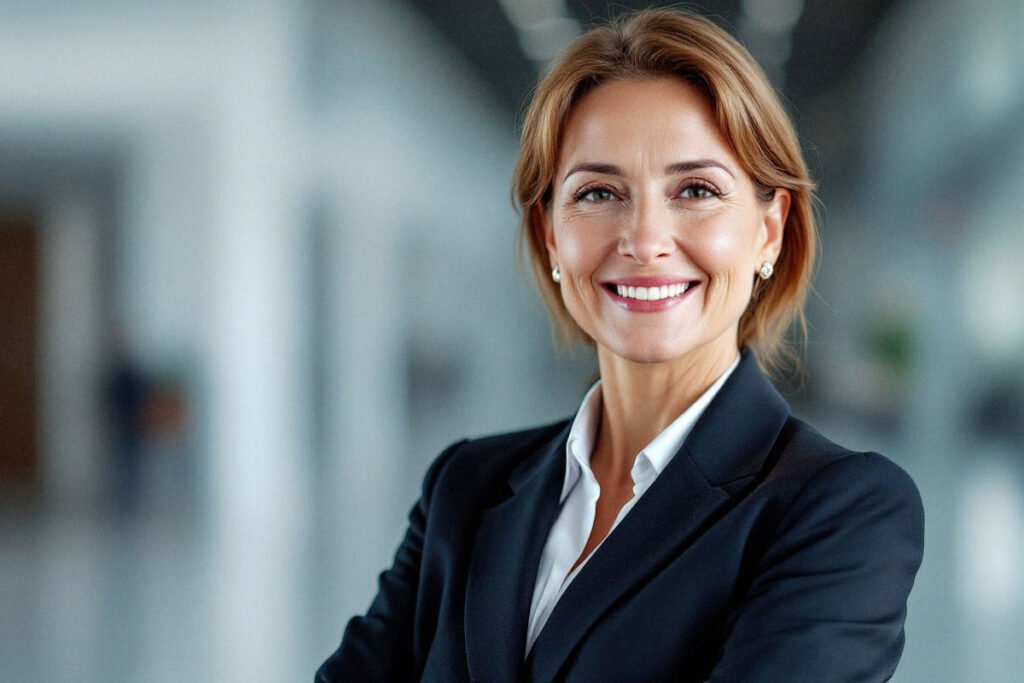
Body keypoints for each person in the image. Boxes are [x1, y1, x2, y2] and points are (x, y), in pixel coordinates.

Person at [316, 8, 924, 681]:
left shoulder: (839, 510)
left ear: (769, 231)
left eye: (696, 190)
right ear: (551, 234)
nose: (644, 238)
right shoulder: (465, 489)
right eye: (599, 192)